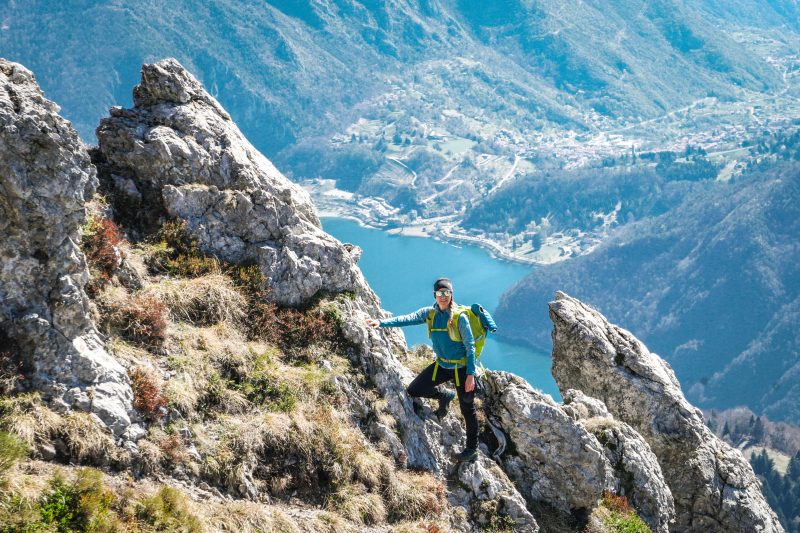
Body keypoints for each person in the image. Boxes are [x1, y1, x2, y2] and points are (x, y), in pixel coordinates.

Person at [366, 277, 479, 462]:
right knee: (414, 389)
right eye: (440, 293)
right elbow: (407, 319)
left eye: (447, 293)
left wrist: (470, 375)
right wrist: (381, 322)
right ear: (435, 295)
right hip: (442, 365)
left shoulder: (460, 317)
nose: (443, 297)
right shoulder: (430, 314)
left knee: (468, 409)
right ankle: (444, 396)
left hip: (461, 368)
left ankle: (472, 450)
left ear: (451, 295)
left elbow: (470, 346)